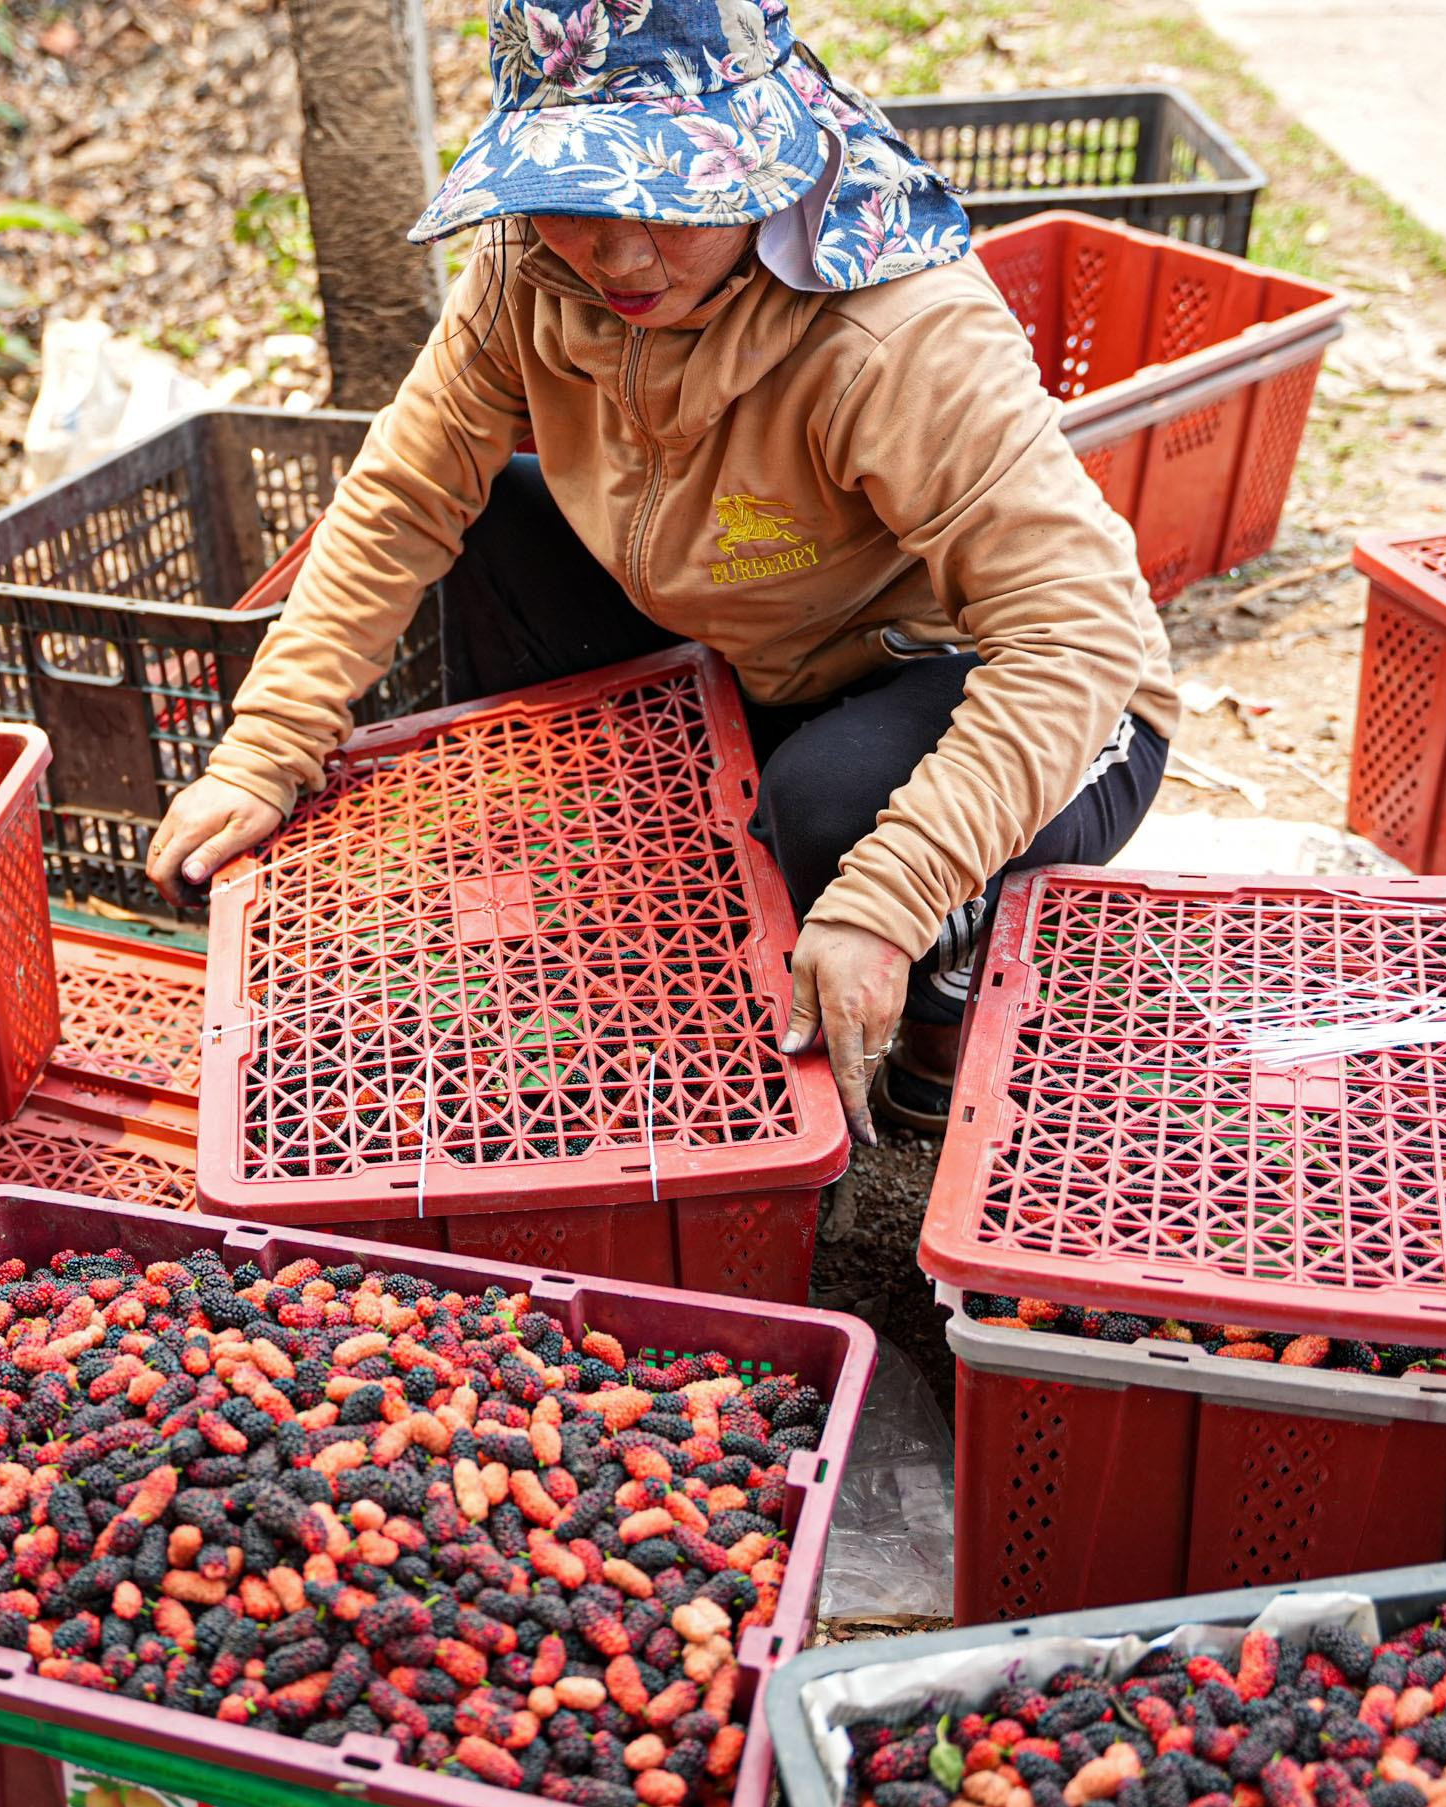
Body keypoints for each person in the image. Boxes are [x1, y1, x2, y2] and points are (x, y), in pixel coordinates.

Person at [146, 0, 1175, 1143]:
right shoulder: (529, 271)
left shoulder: (900, 332)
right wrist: (266, 748)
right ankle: (620, 887)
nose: (618, 253)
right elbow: (405, 489)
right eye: (578, 199)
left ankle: (944, 979)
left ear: (764, 153)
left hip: (999, 682)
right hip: (756, 642)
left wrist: (889, 897)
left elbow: (1072, 641)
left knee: (835, 812)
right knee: (490, 524)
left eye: (667, 202)